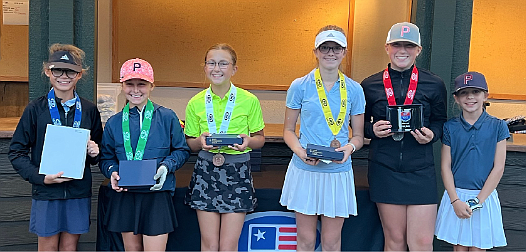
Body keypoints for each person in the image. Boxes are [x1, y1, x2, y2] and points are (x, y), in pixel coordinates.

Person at [360, 22, 447, 251]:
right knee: (395, 241)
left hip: (420, 169)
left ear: (418, 50)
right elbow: (358, 126)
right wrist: (372, 131)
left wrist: (432, 134)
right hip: (385, 168)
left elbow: (441, 121)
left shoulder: (434, 84)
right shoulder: (369, 85)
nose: (402, 50)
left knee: (422, 242)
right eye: (397, 44)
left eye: (409, 45)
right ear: (387, 47)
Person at [8, 43, 102, 251]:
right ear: (47, 71)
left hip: (77, 191)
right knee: (48, 247)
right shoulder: (35, 109)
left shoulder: (89, 110)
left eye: (71, 71)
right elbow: (16, 151)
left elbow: (97, 152)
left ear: (79, 75)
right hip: (46, 192)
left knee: (69, 248)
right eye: (57, 70)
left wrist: (95, 153)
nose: (64, 76)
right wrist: (40, 177)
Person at [279, 25, 365, 251]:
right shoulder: (300, 86)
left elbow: (358, 136)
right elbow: (288, 131)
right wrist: (301, 152)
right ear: (315, 52)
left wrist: (349, 149)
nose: (330, 53)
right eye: (324, 47)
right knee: (306, 240)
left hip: (337, 173)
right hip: (305, 170)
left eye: (336, 48)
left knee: (331, 241)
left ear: (344, 52)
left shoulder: (355, 89)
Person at [99, 58, 190, 251]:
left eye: (142, 84)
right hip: (125, 194)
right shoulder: (114, 122)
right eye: (129, 84)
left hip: (156, 193)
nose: (135, 90)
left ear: (152, 86)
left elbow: (181, 150)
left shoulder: (167, 116)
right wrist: (112, 172)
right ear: (122, 86)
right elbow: (106, 157)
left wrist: (167, 166)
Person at [184, 43, 265, 251]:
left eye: (223, 63)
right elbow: (190, 143)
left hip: (237, 171)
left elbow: (260, 139)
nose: (216, 68)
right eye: (211, 63)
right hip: (206, 171)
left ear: (234, 69)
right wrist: (199, 141)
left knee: (228, 245)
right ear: (204, 67)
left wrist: (248, 141)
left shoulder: (249, 100)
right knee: (209, 245)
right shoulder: (195, 102)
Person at [435, 72, 508, 250]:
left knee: (478, 248)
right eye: (464, 93)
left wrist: (478, 201)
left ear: (485, 95)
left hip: (484, 196)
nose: (470, 97)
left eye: (476, 91)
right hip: (457, 195)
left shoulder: (498, 126)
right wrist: (455, 201)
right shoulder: (450, 127)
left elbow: (498, 168)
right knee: (459, 247)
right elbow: (445, 167)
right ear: (456, 98)